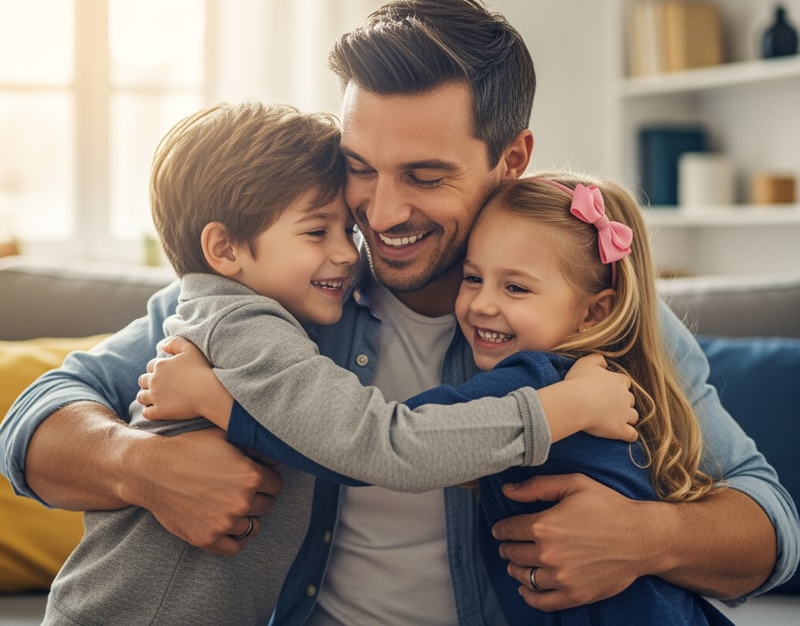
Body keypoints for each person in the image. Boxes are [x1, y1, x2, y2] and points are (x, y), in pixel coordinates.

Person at [1, 0, 797, 624]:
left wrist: (647, 539)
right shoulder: (279, 290)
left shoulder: (594, 317)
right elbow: (34, 421)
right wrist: (142, 468)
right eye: (359, 168)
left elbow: (770, 524)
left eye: (424, 175)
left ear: (511, 157)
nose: (379, 215)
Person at [42, 102, 636, 626]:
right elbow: (379, 444)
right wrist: (568, 405)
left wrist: (216, 402)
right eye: (316, 231)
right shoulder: (246, 327)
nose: (352, 249)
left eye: (344, 230)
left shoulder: (243, 312)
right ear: (223, 250)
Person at [140, 169, 736, 625]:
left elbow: (384, 443)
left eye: (517, 287)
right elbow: (60, 397)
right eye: (473, 278)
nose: (481, 303)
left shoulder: (537, 376)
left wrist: (216, 398)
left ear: (595, 310)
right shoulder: (610, 369)